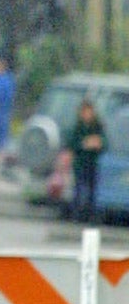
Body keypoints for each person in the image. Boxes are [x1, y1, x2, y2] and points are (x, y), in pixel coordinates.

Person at [67, 96, 105, 225]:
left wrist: (98, 143)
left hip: (92, 162)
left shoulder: (97, 126)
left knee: (92, 191)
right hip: (80, 163)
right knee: (78, 189)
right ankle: (76, 215)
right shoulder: (77, 127)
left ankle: (90, 216)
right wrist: (84, 143)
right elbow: (72, 143)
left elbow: (104, 143)